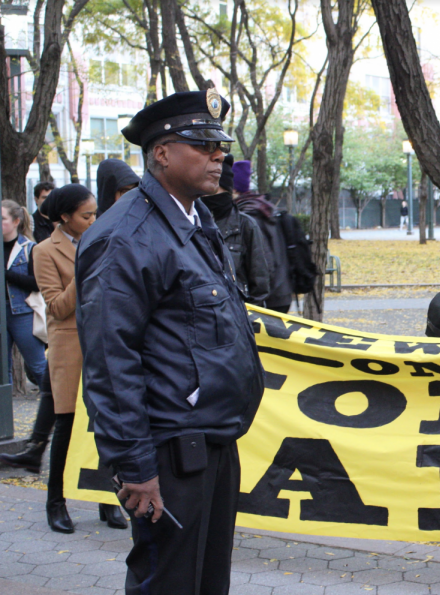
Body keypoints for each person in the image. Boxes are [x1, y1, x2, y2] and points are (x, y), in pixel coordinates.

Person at [76, 89, 265, 594]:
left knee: (206, 582)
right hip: (167, 454)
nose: (219, 155)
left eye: (220, 146)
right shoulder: (127, 236)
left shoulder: (195, 219)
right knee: (170, 583)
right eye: (203, 145)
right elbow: (110, 361)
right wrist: (136, 467)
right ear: (161, 153)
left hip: (211, 445)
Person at [32, 185, 126, 533]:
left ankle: (108, 501)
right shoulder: (44, 251)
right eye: (86, 215)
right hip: (70, 347)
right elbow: (55, 307)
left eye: (95, 214)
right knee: (68, 428)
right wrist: (86, 266)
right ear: (65, 217)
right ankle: (55, 502)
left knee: (107, 427)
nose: (93, 220)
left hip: (104, 343)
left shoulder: (103, 240)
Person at [202, 155, 270, 306]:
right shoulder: (191, 221)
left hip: (238, 315)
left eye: (214, 188)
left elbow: (259, 283)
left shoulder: (246, 225)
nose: (206, 195)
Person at [233, 160, 294, 313]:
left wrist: (258, 298)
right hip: (281, 291)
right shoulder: (262, 207)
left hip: (270, 298)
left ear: (233, 189)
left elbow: (264, 262)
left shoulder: (249, 215)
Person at [2, 200, 47, 386]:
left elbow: (37, 283)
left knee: (38, 366)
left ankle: (57, 408)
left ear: (16, 221)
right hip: (2, 312)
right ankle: (5, 413)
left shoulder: (29, 248)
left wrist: (6, 275)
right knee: (2, 371)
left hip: (23, 313)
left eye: (2, 218)